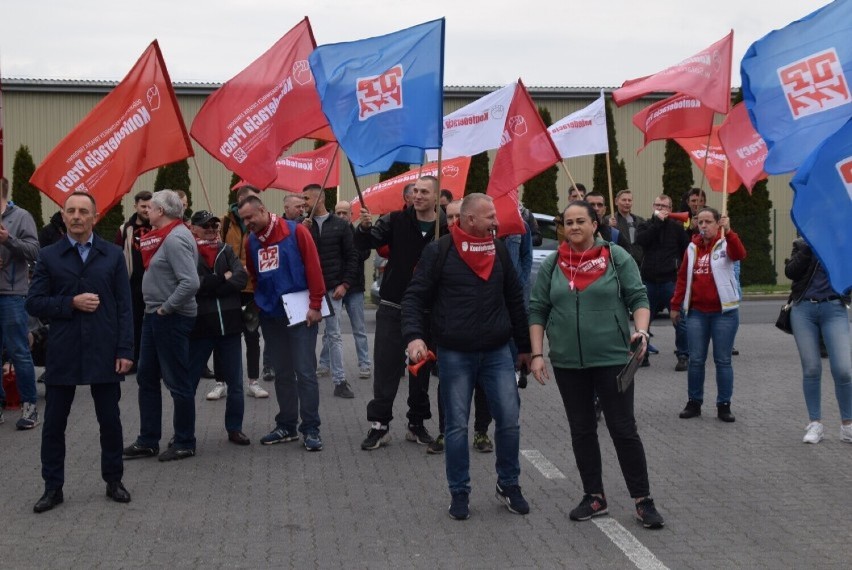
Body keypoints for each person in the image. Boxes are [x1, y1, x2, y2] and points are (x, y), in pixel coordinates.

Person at [529, 200, 665, 530]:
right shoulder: (554, 263)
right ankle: (594, 496)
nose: (574, 227)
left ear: (594, 225)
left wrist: (642, 331)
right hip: (567, 362)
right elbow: (537, 310)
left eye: (581, 221)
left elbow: (638, 298)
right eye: (569, 222)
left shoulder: (616, 257)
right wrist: (536, 354)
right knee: (582, 429)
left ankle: (643, 500)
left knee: (622, 428)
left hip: (612, 359)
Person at [402, 193, 532, 520]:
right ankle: (459, 492)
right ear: (470, 220)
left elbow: (515, 301)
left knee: (509, 421)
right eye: (490, 217)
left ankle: (508, 484)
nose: (496, 222)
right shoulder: (439, 251)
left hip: (497, 352)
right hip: (454, 353)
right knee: (457, 428)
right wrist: (414, 337)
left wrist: (526, 349)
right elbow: (415, 298)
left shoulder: (499, 250)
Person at [25, 192, 134, 512]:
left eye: (83, 211)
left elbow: (125, 308)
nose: (76, 216)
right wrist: (69, 303)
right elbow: (34, 302)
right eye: (70, 210)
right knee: (54, 423)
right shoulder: (49, 256)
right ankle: (52, 487)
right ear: (63, 215)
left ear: (94, 217)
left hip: (104, 348)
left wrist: (126, 349)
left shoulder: (112, 255)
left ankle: (114, 480)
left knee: (110, 420)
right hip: (64, 349)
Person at [354, 175, 445, 450]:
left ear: (436, 197)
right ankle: (379, 425)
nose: (417, 196)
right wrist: (364, 228)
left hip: (428, 309)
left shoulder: (446, 227)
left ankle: (417, 423)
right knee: (386, 366)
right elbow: (367, 243)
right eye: (415, 191)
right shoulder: (394, 220)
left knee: (421, 368)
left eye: (424, 192)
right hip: (393, 305)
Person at [239, 195, 326, 451]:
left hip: (301, 313)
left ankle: (311, 428)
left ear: (263, 210)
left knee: (305, 371)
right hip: (272, 315)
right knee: (283, 373)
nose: (247, 223)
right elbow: (255, 276)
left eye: (250, 217)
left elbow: (314, 267)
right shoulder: (251, 241)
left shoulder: (296, 231)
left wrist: (316, 305)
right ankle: (286, 425)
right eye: (243, 219)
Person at [123, 190, 200, 461]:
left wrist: (166, 308)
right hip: (154, 316)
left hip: (170, 317)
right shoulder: (163, 237)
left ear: (162, 212)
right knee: (146, 376)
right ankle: (148, 439)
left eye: (151, 207)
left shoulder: (176, 239)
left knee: (177, 381)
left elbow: (191, 282)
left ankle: (184, 441)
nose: (147, 211)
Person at [428, 199, 495, 456]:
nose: (455, 222)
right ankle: (446, 432)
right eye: (451, 217)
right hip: (449, 334)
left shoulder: (491, 249)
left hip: (485, 335)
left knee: (484, 387)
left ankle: (481, 431)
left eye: (459, 216)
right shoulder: (440, 249)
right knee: (447, 387)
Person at [670, 207, 746, 423]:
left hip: (724, 313)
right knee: (696, 360)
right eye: (700, 222)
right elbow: (683, 277)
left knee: (722, 360)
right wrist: (676, 305)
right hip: (697, 313)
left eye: (708, 222)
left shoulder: (725, 242)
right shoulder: (692, 247)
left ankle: (724, 405)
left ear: (718, 223)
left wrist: (729, 232)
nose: (703, 226)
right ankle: (694, 402)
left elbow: (740, 254)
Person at [188, 210, 254, 445]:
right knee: (189, 382)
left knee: (235, 382)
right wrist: (221, 279)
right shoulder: (188, 251)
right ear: (193, 228)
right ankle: (185, 432)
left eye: (215, 226)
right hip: (200, 326)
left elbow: (240, 279)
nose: (212, 230)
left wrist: (216, 283)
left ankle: (234, 428)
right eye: (206, 226)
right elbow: (192, 284)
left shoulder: (226, 250)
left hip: (230, 326)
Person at [784, 238, 852, 444]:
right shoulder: (801, 243)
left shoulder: (842, 243)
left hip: (834, 309)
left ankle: (847, 425)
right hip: (803, 310)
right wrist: (807, 248)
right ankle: (815, 423)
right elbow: (791, 272)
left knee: (843, 369)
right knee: (812, 368)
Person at [302, 183, 358, 399]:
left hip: (333, 288)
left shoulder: (341, 226)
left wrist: (345, 284)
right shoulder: (302, 226)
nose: (303, 203)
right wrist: (303, 231)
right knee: (306, 335)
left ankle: (340, 381)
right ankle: (305, 378)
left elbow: (352, 256)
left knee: (334, 335)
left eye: (307, 198)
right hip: (308, 291)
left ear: (320, 198)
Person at [218, 186, 269, 398]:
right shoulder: (225, 221)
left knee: (251, 335)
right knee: (224, 334)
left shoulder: (259, 225)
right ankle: (221, 381)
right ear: (238, 201)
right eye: (243, 200)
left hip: (251, 288)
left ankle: (253, 381)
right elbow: (218, 251)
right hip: (230, 288)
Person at [0, 176, 40, 429]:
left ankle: (29, 406)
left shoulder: (20, 216)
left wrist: (8, 240)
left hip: (11, 294)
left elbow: (35, 251)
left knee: (19, 351)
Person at [635, 194, 690, 369]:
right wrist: (657, 223)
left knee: (679, 319)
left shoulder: (676, 228)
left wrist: (680, 272)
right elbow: (641, 240)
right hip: (649, 280)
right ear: (653, 206)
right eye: (658, 205)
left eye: (665, 206)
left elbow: (686, 252)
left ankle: (683, 355)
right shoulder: (645, 225)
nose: (661, 208)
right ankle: (642, 355)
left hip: (669, 281)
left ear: (670, 209)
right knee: (643, 321)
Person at [333, 200, 372, 379]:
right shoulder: (331, 232)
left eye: (344, 213)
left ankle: (364, 364)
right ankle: (325, 364)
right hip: (335, 287)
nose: (341, 216)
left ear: (351, 215)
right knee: (331, 331)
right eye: (338, 213)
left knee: (359, 329)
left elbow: (364, 254)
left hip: (354, 288)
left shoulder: (358, 233)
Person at [115, 190, 153, 370]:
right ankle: (135, 359)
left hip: (154, 283)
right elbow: (117, 254)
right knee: (134, 322)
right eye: (143, 206)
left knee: (153, 322)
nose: (146, 210)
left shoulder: (158, 226)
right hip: (133, 282)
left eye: (149, 206)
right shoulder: (125, 229)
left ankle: (155, 362)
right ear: (135, 206)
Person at [609, 189, 644, 265]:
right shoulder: (609, 220)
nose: (627, 203)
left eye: (629, 200)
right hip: (620, 260)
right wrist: (609, 227)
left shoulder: (640, 220)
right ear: (616, 201)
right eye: (624, 200)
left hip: (638, 260)